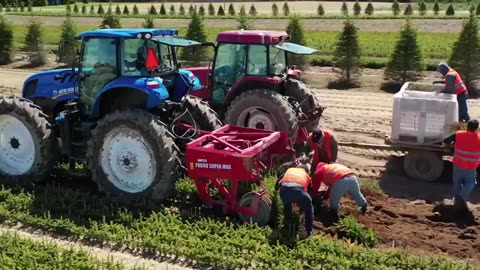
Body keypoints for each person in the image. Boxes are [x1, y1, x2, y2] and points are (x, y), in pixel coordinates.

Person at [443, 119, 480, 211]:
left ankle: (456, 202)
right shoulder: (478, 139)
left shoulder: (459, 134)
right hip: (470, 166)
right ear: (476, 129)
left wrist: (450, 149)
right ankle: (461, 197)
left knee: (457, 183)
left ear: (467, 126)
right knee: (471, 183)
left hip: (458, 164)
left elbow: (446, 140)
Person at [275, 163, 314, 236]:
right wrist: (302, 206)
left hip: (284, 190)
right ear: (306, 171)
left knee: (287, 205)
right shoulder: (306, 175)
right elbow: (309, 190)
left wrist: (276, 189)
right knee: (309, 208)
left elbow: (278, 182)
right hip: (298, 190)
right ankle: (309, 231)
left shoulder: (290, 170)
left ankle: (287, 222)